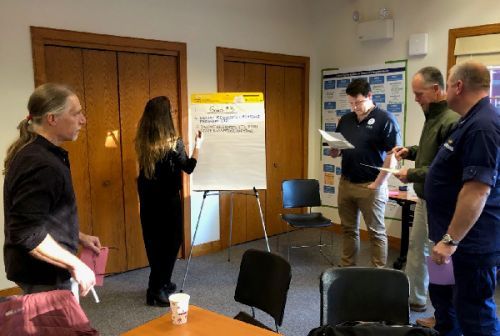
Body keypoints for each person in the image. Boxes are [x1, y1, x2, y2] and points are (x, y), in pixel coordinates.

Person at [3, 83, 101, 296]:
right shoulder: (41, 163)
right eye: (75, 114)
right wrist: (75, 264)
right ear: (52, 119)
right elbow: (27, 232)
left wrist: (79, 236)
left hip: (42, 269)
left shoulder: (41, 154)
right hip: (42, 274)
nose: (83, 120)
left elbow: (44, 215)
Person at [425, 61, 499, 335]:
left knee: (475, 313)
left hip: (467, 244)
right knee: (445, 302)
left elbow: (477, 190)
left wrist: (450, 240)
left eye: (447, 85)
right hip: (447, 240)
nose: (444, 91)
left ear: (458, 86)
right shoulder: (467, 120)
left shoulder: (483, 125)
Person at [392, 67, 459, 313]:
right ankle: (416, 299)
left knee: (440, 257)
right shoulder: (431, 114)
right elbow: (432, 153)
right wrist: (410, 151)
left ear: (436, 89)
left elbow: (445, 169)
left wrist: (410, 173)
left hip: (441, 201)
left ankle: (444, 312)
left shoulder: (451, 120)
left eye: (419, 94)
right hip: (424, 197)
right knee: (416, 249)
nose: (417, 99)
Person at [135, 96, 201, 307]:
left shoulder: (143, 141)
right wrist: (198, 146)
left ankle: (160, 283)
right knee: (171, 244)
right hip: (168, 202)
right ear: (165, 117)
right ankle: (156, 290)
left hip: (148, 203)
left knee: (154, 245)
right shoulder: (174, 142)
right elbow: (188, 167)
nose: (173, 114)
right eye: (171, 111)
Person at [330, 78, 401, 267]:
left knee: (376, 232)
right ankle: (347, 268)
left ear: (370, 96)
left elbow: (392, 156)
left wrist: (377, 184)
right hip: (346, 183)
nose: (355, 107)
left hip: (371, 185)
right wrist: (334, 148)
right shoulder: (346, 119)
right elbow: (336, 152)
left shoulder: (385, 119)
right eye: (351, 103)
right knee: (348, 229)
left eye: (358, 102)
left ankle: (377, 274)